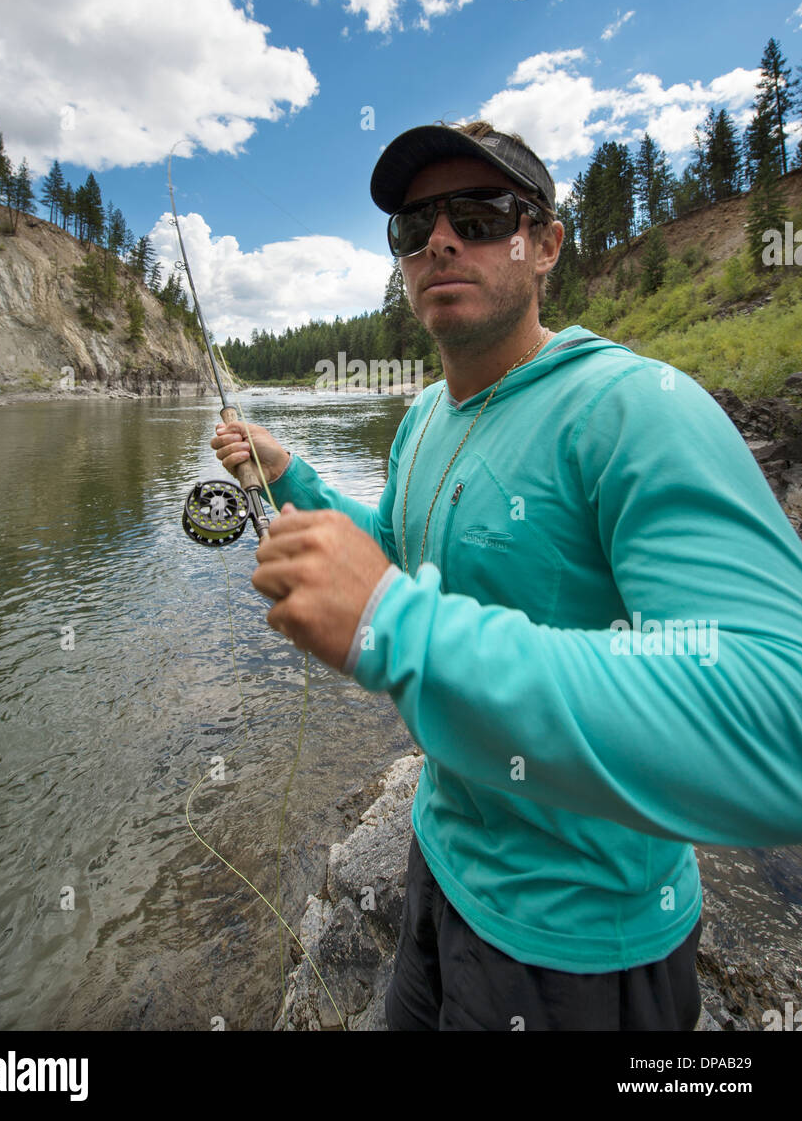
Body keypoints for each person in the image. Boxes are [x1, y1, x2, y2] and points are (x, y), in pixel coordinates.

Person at [210, 118, 802, 1032]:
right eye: (414, 226)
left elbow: (778, 720)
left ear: (546, 246)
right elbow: (407, 557)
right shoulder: (421, 422)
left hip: (579, 953)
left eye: (482, 216)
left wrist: (395, 628)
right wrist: (290, 476)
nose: (441, 240)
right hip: (439, 872)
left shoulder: (636, 410)